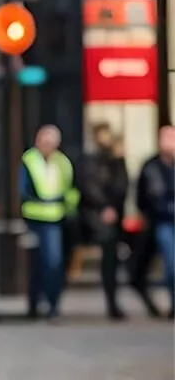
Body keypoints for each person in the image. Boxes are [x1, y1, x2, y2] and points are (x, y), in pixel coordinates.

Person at [21, 125, 79, 320]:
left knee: (53, 263)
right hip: (33, 219)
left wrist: (67, 206)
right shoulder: (29, 160)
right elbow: (23, 190)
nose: (46, 146)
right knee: (37, 265)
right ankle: (34, 303)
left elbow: (70, 189)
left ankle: (53, 304)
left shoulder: (63, 163)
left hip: (56, 219)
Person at [78, 122, 129, 319]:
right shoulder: (89, 160)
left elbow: (122, 186)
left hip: (113, 216)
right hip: (93, 216)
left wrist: (119, 161)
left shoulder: (115, 160)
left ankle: (113, 302)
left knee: (111, 260)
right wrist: (104, 207)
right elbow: (88, 186)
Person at [134, 125, 175, 319]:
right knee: (171, 264)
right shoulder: (151, 166)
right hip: (162, 221)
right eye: (165, 138)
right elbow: (141, 196)